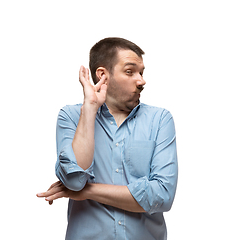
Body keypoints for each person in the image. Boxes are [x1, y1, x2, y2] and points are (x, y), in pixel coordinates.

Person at [37, 37, 178, 239]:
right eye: (130, 72)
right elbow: (74, 181)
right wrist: (89, 109)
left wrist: (87, 191)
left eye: (141, 72)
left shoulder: (160, 120)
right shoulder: (71, 116)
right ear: (103, 75)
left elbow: (162, 196)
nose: (141, 81)